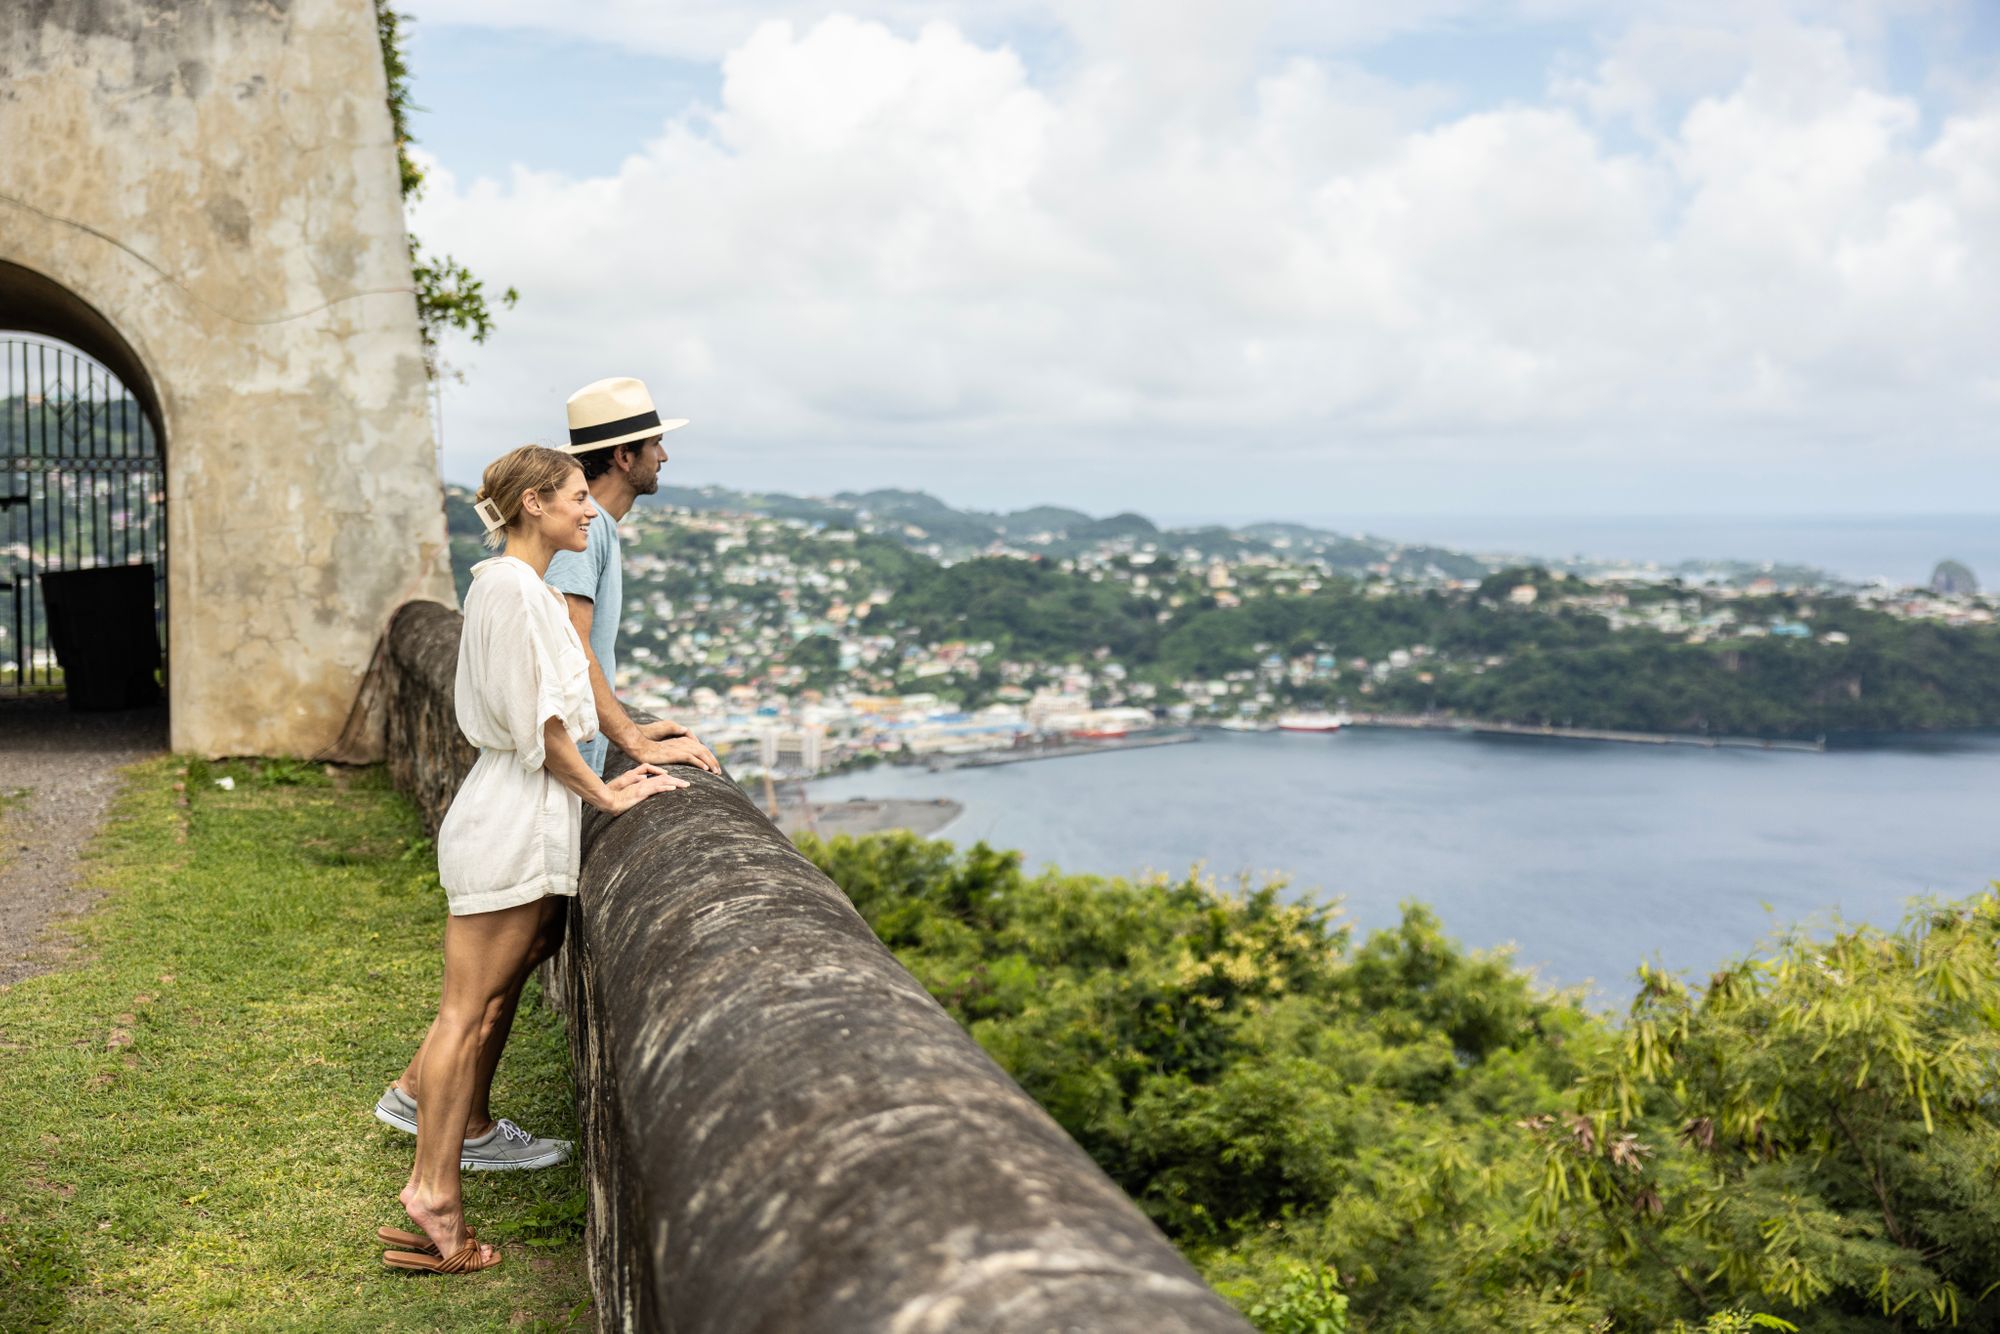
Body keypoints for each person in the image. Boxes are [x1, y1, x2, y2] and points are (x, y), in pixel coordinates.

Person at [380, 446, 684, 1274]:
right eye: (578, 498)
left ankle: (435, 1189)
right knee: (466, 1014)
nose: (592, 511)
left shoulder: (521, 590)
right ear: (532, 504)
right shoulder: (513, 592)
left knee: (477, 1009)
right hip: (511, 816)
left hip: (515, 814)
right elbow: (544, 729)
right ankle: (434, 1193)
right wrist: (610, 794)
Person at [546, 376, 720, 780]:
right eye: (654, 444)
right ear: (625, 456)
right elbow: (572, 648)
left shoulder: (588, 522)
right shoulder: (585, 528)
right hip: (562, 766)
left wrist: (625, 725)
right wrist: (635, 742)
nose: (663, 456)